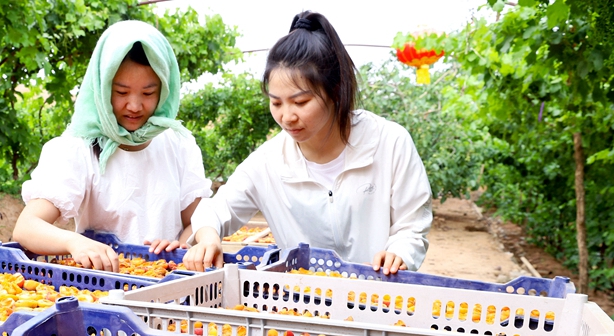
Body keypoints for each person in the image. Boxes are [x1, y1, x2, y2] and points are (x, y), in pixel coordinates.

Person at [183, 11, 433, 275]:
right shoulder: (269, 162)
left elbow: (412, 226)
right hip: (303, 295)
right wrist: (208, 238)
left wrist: (399, 253)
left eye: (300, 102)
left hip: (378, 290)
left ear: (335, 91)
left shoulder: (389, 143)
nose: (287, 117)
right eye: (276, 103)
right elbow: (215, 210)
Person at [13, 20, 213, 272]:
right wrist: (75, 242)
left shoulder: (178, 144)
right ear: (102, 87)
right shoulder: (78, 148)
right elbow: (27, 227)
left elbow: (196, 221)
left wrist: (182, 245)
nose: (134, 106)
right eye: (121, 92)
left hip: (167, 282)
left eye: (148, 93)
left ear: (164, 90)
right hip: (103, 285)